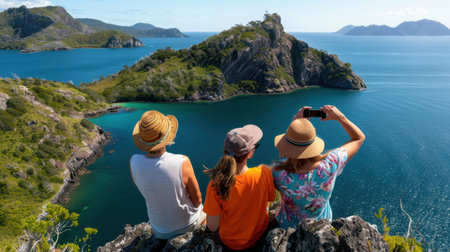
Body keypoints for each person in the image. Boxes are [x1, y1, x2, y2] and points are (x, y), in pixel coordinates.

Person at [272, 105, 365, 229]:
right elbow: (358, 138)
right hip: (321, 225)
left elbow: (284, 157)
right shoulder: (331, 162)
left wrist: (295, 122)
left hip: (287, 226)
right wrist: (340, 118)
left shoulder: (277, 173)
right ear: (314, 141)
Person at [129, 110, 205, 239]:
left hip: (159, 229)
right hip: (186, 225)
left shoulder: (134, 161)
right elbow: (197, 201)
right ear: (168, 136)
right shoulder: (181, 162)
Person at [203, 125, 276, 250]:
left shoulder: (216, 184)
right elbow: (270, 200)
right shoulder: (264, 173)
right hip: (259, 235)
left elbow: (213, 226)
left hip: (230, 242)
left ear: (224, 151)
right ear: (250, 153)